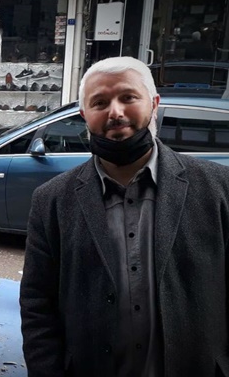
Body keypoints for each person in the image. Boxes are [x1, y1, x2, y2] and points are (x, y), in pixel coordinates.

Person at [20, 56, 229, 376]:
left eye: (128, 97)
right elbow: (38, 304)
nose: (115, 112)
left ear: (154, 104)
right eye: (100, 102)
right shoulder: (52, 200)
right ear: (84, 115)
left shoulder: (218, 189)